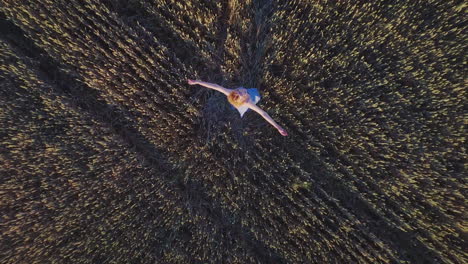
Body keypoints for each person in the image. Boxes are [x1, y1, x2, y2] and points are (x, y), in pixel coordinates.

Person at [188, 79, 288, 136]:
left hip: (238, 102)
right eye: (242, 92)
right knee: (256, 95)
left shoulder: (231, 92)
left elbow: (215, 86)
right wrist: (277, 127)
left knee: (237, 103)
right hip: (248, 101)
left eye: (238, 91)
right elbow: (263, 114)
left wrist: (197, 82)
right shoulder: (248, 103)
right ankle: (238, 107)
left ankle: (235, 106)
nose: (241, 90)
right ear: (244, 98)